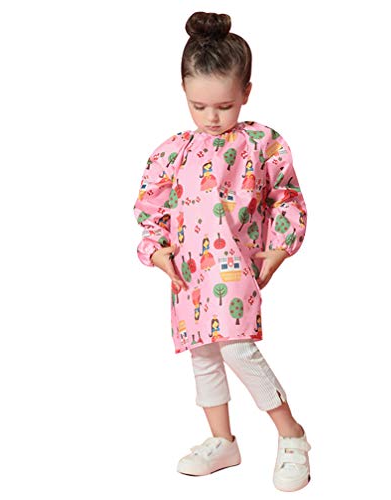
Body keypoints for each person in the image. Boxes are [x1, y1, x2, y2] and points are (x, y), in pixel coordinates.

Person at [133, 11, 311, 492]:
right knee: (203, 353)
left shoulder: (260, 144)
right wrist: (157, 251)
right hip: (188, 273)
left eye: (224, 106)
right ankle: (222, 440)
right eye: (199, 106)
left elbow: (286, 198)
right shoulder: (172, 152)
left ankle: (292, 435)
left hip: (234, 267)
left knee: (237, 347)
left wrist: (279, 248)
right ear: (184, 92)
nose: (212, 117)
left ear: (246, 92)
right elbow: (151, 210)